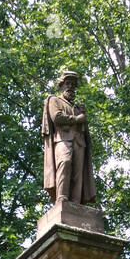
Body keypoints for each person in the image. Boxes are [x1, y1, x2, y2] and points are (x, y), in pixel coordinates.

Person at [42, 69, 97, 205]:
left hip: (79, 142)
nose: (71, 87)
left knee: (78, 172)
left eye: (73, 84)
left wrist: (83, 116)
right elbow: (57, 118)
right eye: (68, 83)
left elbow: (83, 128)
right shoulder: (54, 100)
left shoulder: (78, 108)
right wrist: (78, 119)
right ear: (61, 85)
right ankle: (62, 198)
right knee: (65, 163)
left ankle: (76, 202)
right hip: (62, 140)